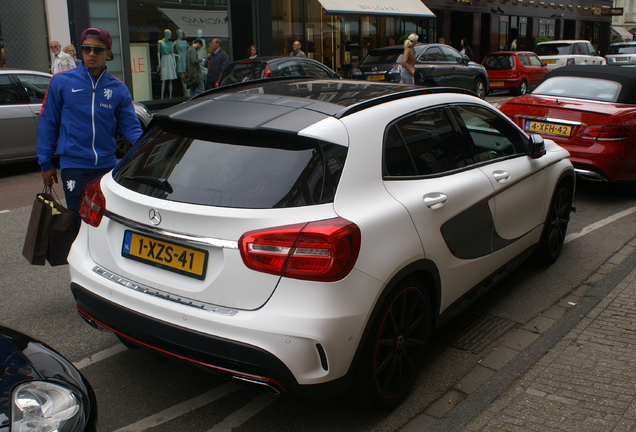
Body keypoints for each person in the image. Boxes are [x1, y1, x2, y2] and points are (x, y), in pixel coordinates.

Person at [37, 27, 143, 229]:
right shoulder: (62, 82)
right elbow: (48, 123)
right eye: (86, 49)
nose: (91, 54)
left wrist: (153, 154)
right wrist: (45, 163)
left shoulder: (118, 89)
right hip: (74, 167)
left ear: (109, 53)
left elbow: (132, 129)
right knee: (79, 222)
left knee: (105, 224)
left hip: (106, 167)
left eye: (98, 50)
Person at [157, 29, 177, 98]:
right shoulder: (160, 42)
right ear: (166, 34)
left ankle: (170, 96)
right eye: (169, 34)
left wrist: (174, 62)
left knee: (170, 79)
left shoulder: (170, 43)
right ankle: (162, 96)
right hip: (164, 59)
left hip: (170, 59)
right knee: (163, 79)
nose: (170, 36)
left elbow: (172, 53)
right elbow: (158, 52)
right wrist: (159, 62)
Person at [173, 29, 189, 96]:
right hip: (180, 59)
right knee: (183, 78)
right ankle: (185, 94)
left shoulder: (185, 42)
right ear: (177, 33)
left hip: (186, 59)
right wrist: (176, 55)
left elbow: (190, 49)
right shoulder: (175, 42)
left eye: (181, 32)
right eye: (179, 32)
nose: (181, 33)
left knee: (188, 76)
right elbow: (171, 52)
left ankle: (187, 92)